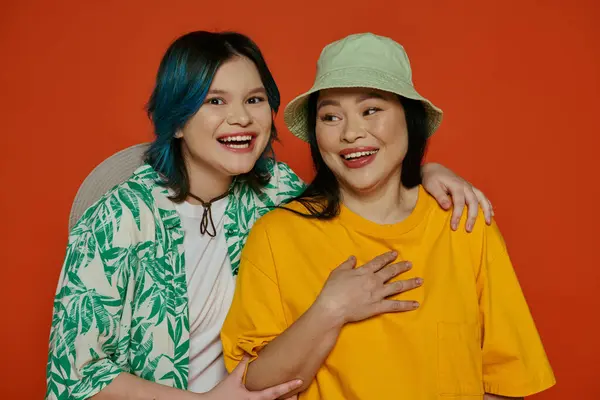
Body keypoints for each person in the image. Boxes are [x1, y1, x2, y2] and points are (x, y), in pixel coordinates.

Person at [46, 31, 494, 400]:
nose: (240, 118)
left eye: (255, 100)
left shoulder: (276, 191)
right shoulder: (118, 218)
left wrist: (428, 170)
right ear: (178, 121)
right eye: (215, 102)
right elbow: (75, 376)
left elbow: (362, 184)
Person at [221, 33, 556, 400]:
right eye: (331, 116)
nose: (350, 133)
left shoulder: (464, 223)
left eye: (371, 110)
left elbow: (505, 383)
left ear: (410, 121)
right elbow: (251, 385)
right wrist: (330, 310)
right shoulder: (278, 235)